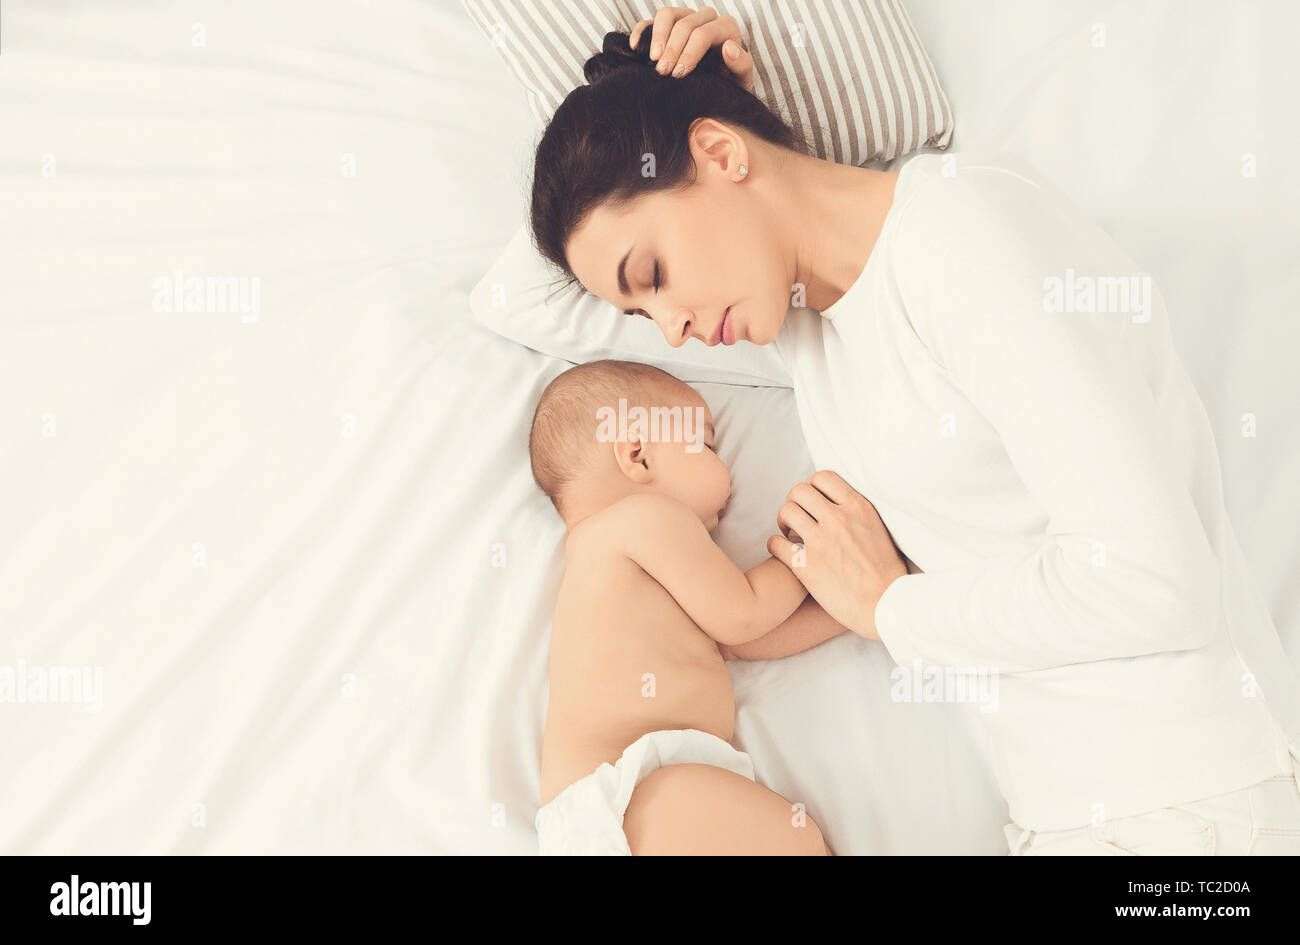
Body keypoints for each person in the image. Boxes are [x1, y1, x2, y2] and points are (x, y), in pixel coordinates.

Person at [527, 7, 1300, 855]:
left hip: (1195, 812)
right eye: (640, 315)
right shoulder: (811, 332)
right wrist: (716, 95)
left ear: (718, 155)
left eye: (654, 275)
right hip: (1070, 817)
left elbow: (1158, 583)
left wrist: (888, 606)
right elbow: (543, 337)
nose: (670, 329)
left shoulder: (961, 238)